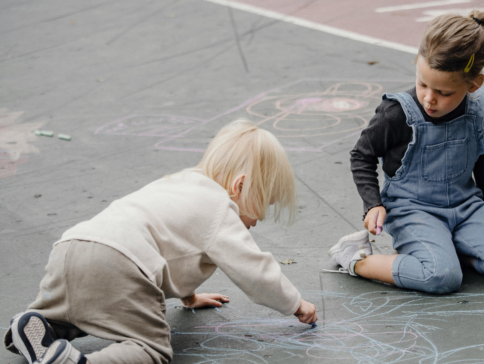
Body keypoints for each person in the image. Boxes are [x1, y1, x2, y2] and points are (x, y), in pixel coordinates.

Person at [5, 120, 318, 364]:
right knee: (151, 349)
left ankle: (40, 324)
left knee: (89, 310)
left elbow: (171, 244)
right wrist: (295, 303)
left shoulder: (180, 183)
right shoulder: (221, 208)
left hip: (72, 247)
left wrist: (189, 296)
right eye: (263, 206)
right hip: (120, 263)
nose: (259, 219)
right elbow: (254, 271)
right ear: (240, 186)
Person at [330, 11, 484, 293]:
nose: (429, 98)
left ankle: (450, 251)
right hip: (412, 210)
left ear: (472, 85)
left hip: (465, 207)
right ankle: (355, 258)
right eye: (422, 83)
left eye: (443, 92)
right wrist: (373, 203)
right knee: (441, 277)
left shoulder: (482, 111)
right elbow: (362, 155)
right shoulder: (397, 113)